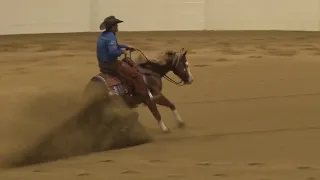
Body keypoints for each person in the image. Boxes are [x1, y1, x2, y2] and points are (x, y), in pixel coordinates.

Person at [96, 15, 155, 103]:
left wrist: (126, 46)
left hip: (103, 63)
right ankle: (144, 95)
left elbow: (114, 47)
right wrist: (122, 51)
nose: (117, 27)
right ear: (112, 27)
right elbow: (113, 51)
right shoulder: (111, 37)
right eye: (116, 25)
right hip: (111, 64)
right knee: (136, 75)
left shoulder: (105, 35)